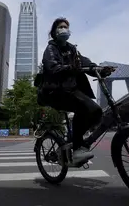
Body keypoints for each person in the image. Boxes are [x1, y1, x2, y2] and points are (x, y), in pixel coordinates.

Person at [36, 17, 114, 164]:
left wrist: (101, 70)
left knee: (96, 112)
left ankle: (75, 141)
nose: (63, 29)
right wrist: (70, 68)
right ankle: (78, 148)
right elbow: (52, 67)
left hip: (70, 91)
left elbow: (85, 63)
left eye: (66, 27)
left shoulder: (72, 50)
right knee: (89, 109)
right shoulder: (51, 49)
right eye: (60, 27)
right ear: (54, 32)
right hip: (55, 92)